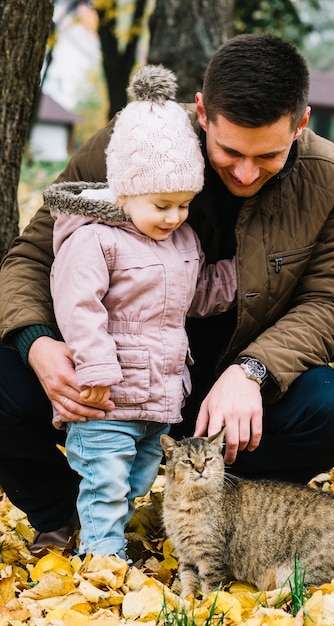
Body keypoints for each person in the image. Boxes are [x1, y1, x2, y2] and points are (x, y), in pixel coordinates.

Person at [0, 34, 334, 553]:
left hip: (223, 385)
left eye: (268, 155)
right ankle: (63, 511)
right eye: (229, 151)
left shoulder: (331, 177)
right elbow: (31, 257)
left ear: (301, 123)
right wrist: (37, 341)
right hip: (108, 376)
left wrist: (253, 371)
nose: (245, 173)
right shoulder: (130, 143)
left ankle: (228, 513)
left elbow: (330, 302)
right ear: (201, 112)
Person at [47, 65, 237, 559]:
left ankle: (109, 541)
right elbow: (78, 306)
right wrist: (96, 366)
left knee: (138, 477)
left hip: (160, 394)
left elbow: (192, 296)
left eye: (183, 205)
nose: (174, 217)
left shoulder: (181, 239)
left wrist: (241, 279)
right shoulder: (93, 239)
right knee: (105, 478)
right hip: (106, 395)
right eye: (161, 205)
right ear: (126, 190)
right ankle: (102, 558)